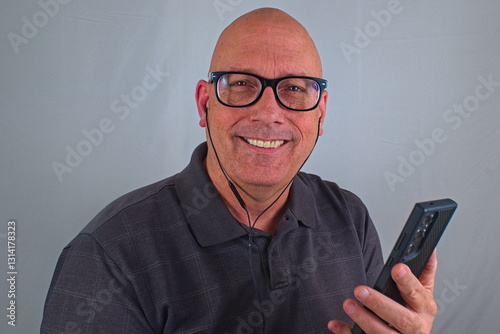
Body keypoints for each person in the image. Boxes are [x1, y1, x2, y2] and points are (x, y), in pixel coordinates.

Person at [41, 8, 438, 334]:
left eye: (295, 89)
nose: (268, 113)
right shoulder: (109, 253)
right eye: (242, 84)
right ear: (204, 104)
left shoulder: (350, 218)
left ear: (321, 114)